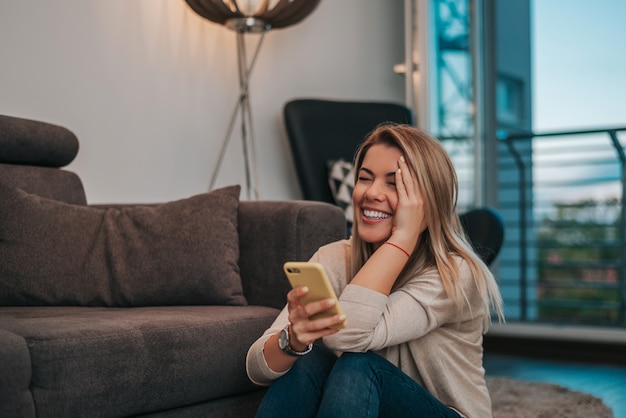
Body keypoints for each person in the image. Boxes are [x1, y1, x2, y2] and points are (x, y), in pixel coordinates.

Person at [246, 123, 504, 418]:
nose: (372, 193)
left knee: (358, 364)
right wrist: (292, 341)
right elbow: (256, 367)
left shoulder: (454, 273)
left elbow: (347, 339)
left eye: (394, 183)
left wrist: (403, 237)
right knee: (305, 358)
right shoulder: (332, 258)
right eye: (364, 179)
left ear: (427, 203)